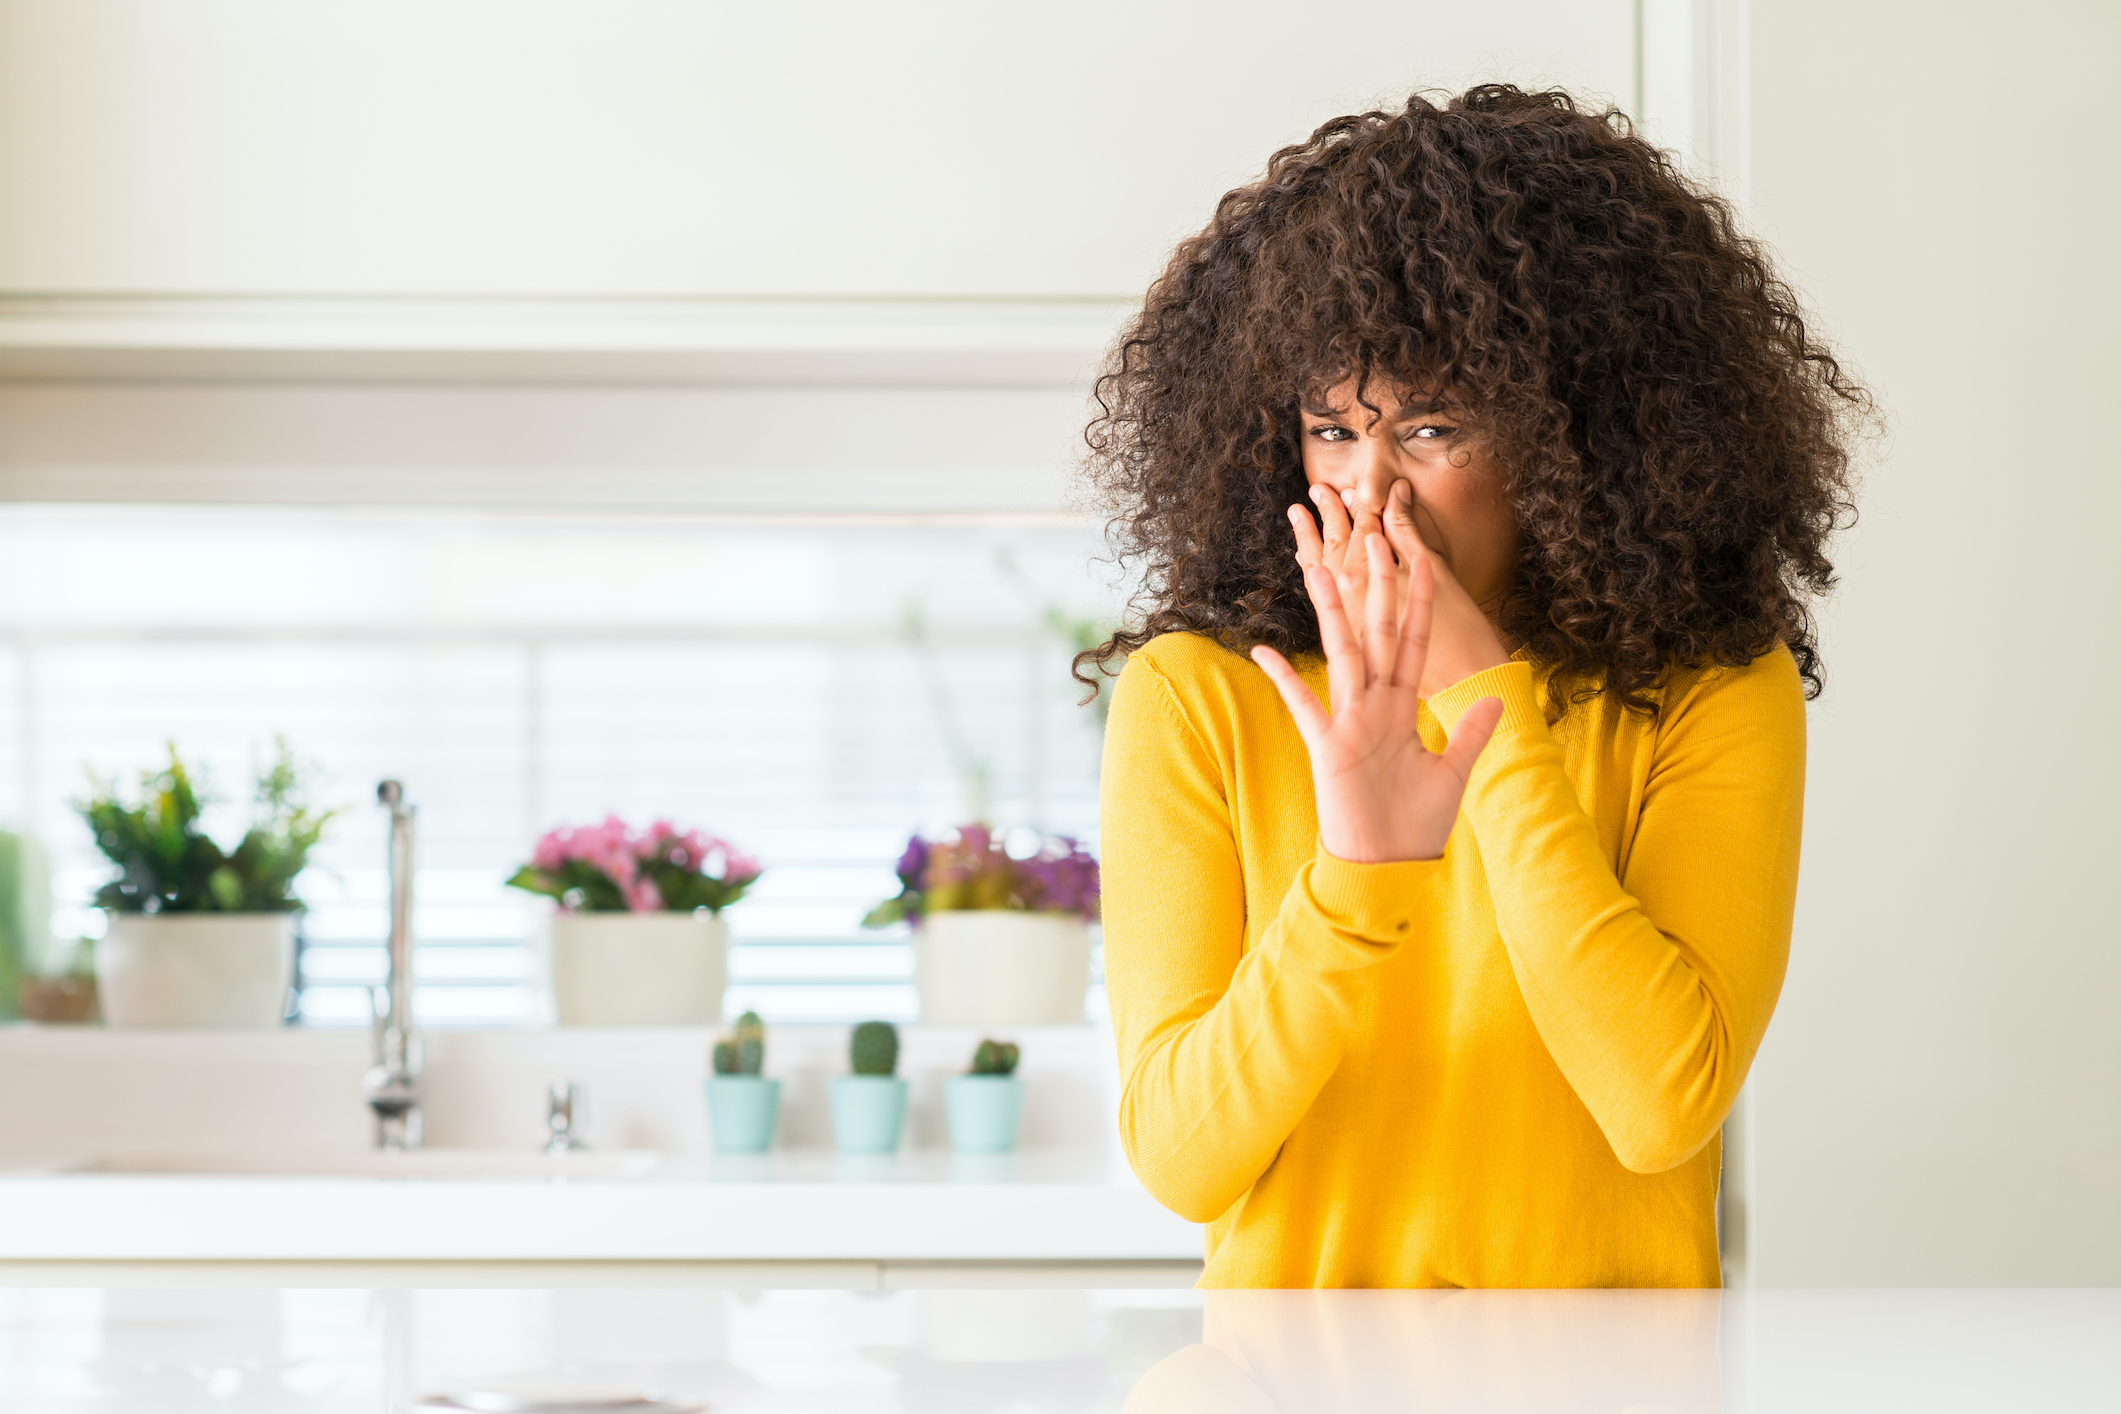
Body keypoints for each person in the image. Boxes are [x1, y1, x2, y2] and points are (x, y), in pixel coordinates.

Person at [1081, 84, 1866, 1288]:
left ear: (1577, 434)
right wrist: (1353, 876)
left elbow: (1662, 1106)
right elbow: (1185, 1159)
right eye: (1332, 431)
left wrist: (1487, 713)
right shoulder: (1201, 696)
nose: (1373, 491)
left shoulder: (1711, 686)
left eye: (1435, 429)